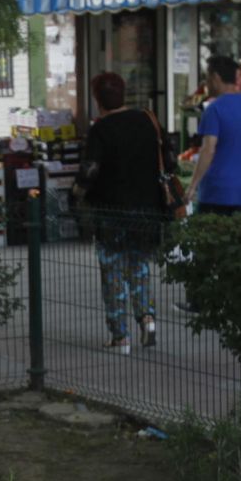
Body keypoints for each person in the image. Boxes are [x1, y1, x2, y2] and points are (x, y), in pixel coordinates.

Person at [79, 71, 167, 354]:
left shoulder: (101, 129)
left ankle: (121, 336)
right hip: (146, 210)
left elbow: (90, 170)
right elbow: (170, 159)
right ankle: (148, 319)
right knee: (139, 267)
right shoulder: (148, 120)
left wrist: (77, 192)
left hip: (111, 212)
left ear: (97, 100)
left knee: (113, 271)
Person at [185, 54, 241, 216]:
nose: (205, 83)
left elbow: (208, 150)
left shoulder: (214, 109)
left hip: (216, 193)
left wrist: (192, 186)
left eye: (207, 77)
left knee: (211, 239)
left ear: (215, 77)